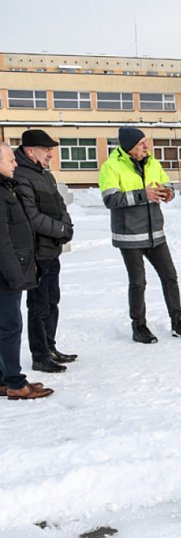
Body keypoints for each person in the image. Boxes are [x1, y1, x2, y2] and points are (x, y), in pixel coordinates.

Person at [98, 127, 181, 343]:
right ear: (130, 147)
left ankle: (178, 322)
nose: (146, 146)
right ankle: (139, 327)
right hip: (130, 235)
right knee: (138, 282)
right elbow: (111, 200)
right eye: (141, 143)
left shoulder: (153, 162)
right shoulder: (111, 167)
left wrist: (168, 192)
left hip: (155, 234)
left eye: (146, 142)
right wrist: (143, 195)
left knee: (170, 277)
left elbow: (167, 183)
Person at [13, 130, 76, 374]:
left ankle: (50, 347)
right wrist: (60, 230)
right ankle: (40, 356)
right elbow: (31, 216)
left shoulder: (45, 175)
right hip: (36, 252)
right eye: (46, 149)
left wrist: (66, 226)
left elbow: (60, 206)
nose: (51, 154)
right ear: (31, 151)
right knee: (38, 306)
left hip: (51, 250)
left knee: (52, 301)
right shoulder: (20, 175)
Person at [0, 142, 54, 400]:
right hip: (6, 275)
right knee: (10, 328)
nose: (15, 163)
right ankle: (15, 383)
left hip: (10, 271)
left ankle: (4, 378)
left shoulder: (6, 187)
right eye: (10, 160)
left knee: (5, 327)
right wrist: (15, 276)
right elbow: (2, 241)